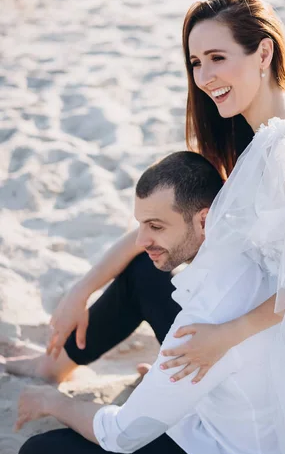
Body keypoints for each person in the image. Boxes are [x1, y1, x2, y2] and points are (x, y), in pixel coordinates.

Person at [16, 0, 285, 454]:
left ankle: (76, 377)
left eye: (218, 58)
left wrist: (224, 339)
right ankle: (57, 363)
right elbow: (172, 226)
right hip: (271, 306)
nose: (205, 76)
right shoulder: (279, 119)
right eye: (197, 61)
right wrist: (82, 287)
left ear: (263, 53)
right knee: (145, 268)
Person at [3, 150, 223, 384]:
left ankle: (171, 377)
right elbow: (138, 242)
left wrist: (54, 405)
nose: (141, 240)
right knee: (144, 270)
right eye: (143, 225)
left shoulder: (246, 251)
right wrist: (80, 292)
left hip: (228, 374)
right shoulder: (219, 216)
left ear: (203, 220)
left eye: (156, 227)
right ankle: (53, 365)